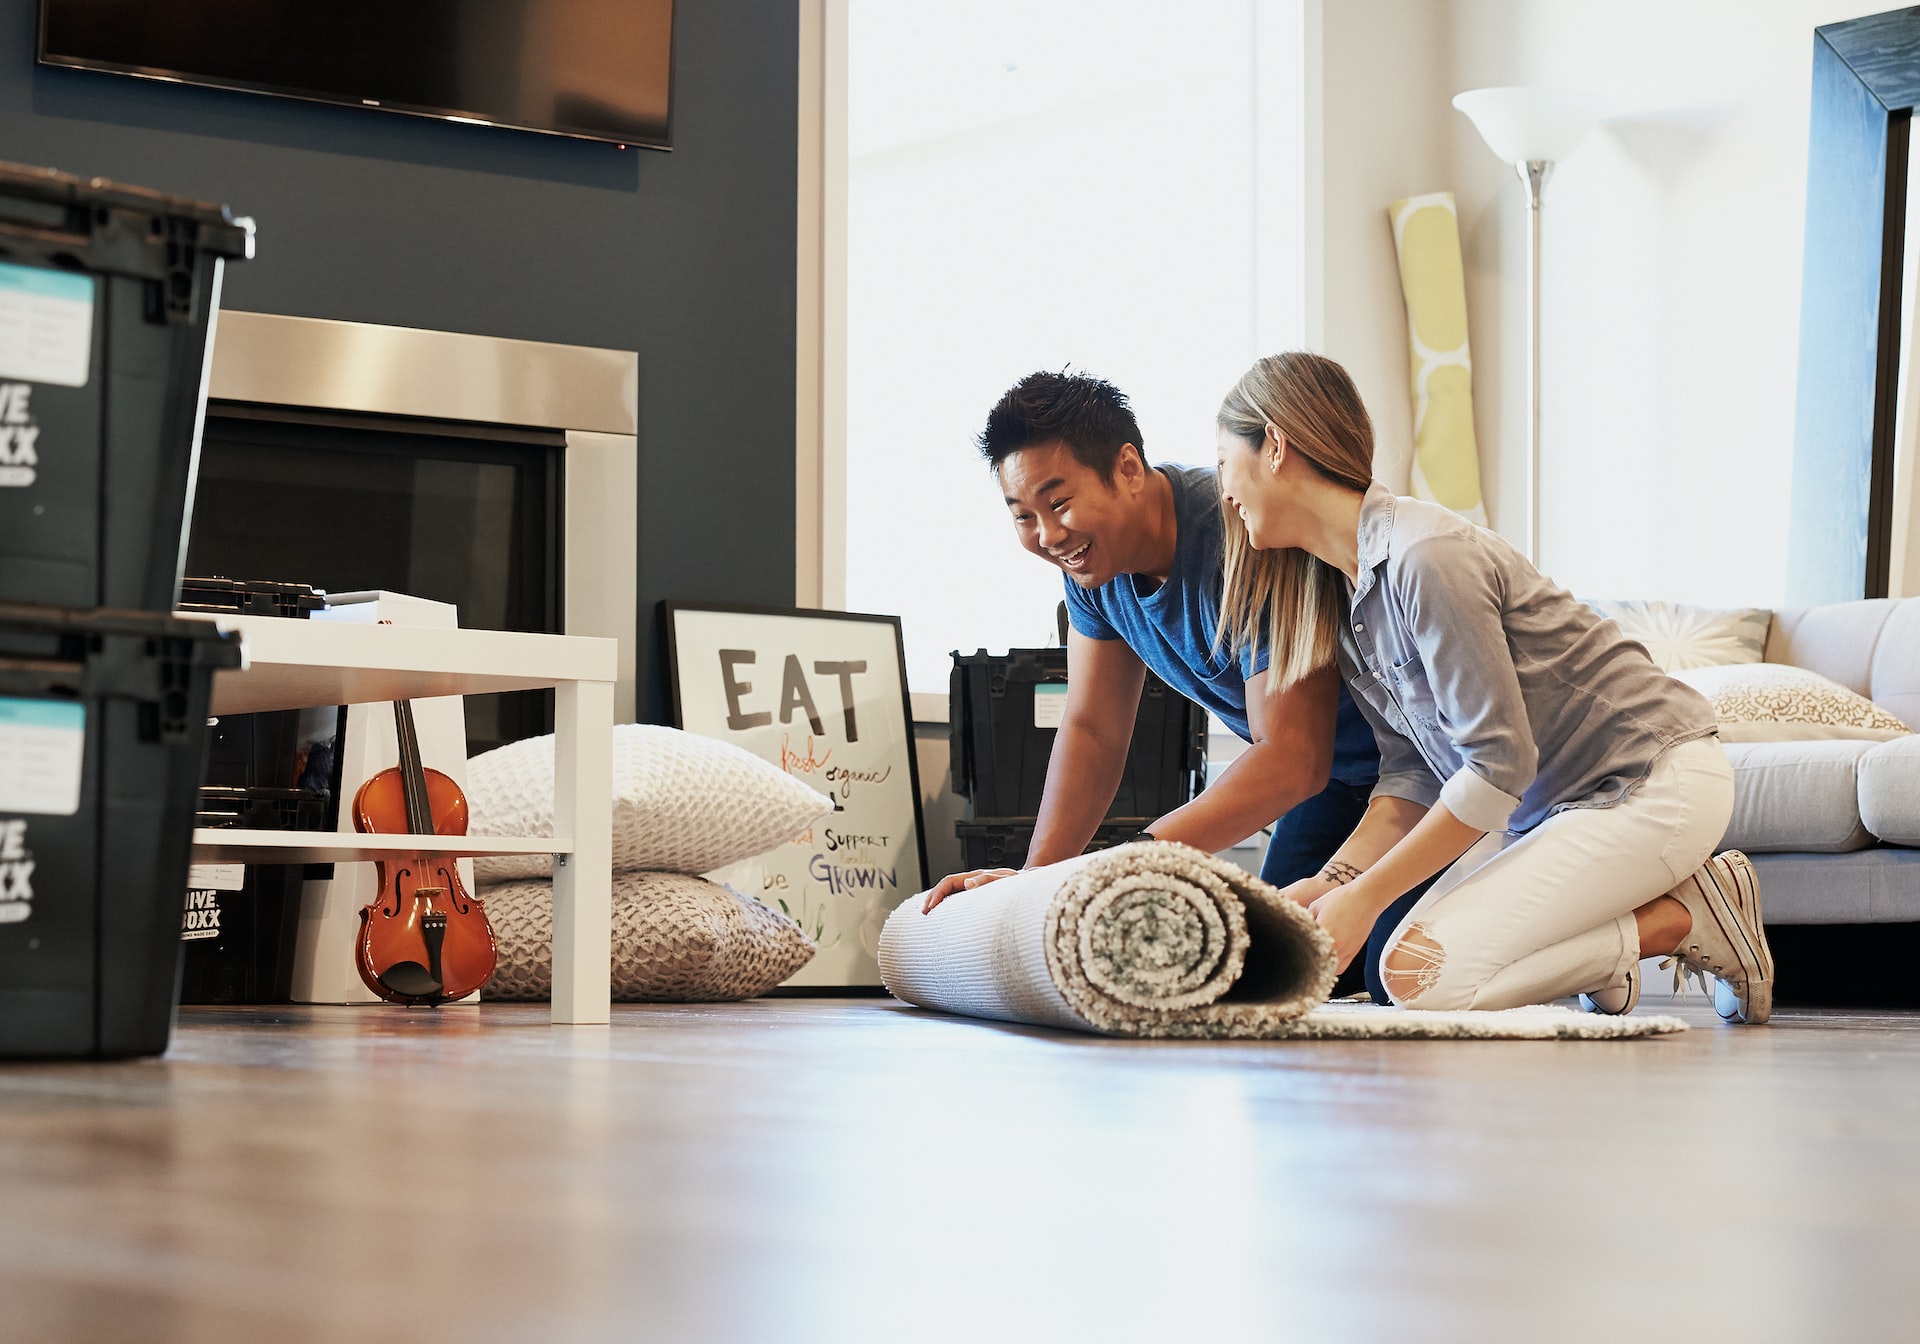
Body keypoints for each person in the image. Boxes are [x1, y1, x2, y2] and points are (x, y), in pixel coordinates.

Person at [1212, 351, 1772, 1022]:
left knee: (1419, 982)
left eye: (1223, 462)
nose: (1223, 490)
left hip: (1650, 782)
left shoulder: (1427, 557)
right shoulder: (1347, 594)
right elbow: (1414, 772)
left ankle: (1685, 918)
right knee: (1402, 968)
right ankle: (1607, 958)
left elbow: (1498, 766)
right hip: (1555, 815)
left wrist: (1364, 899)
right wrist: (1333, 884)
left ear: (1273, 445)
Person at [922, 370, 1426, 1002]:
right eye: (1023, 515)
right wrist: (1036, 883)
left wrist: (1125, 861)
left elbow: (1293, 757)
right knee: (1277, 974)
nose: (1048, 536)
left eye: (1058, 503)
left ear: (1128, 467)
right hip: (1339, 783)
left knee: (1392, 970)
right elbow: (1092, 728)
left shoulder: (1244, 537)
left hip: (1417, 777)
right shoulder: (1090, 567)